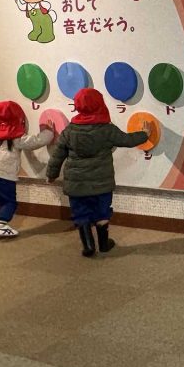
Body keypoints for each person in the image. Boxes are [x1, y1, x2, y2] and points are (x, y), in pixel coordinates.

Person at [45, 88, 148, 257]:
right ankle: (104, 244)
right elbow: (128, 140)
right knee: (102, 212)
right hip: (101, 185)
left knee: (80, 213)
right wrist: (145, 134)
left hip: (76, 185)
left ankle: (88, 245)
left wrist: (51, 174)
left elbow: (57, 156)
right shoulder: (107, 129)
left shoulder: (69, 131)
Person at [0, 100, 53, 243]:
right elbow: (36, 141)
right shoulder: (15, 138)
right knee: (9, 202)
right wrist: (49, 131)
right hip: (0, 174)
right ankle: (1, 225)